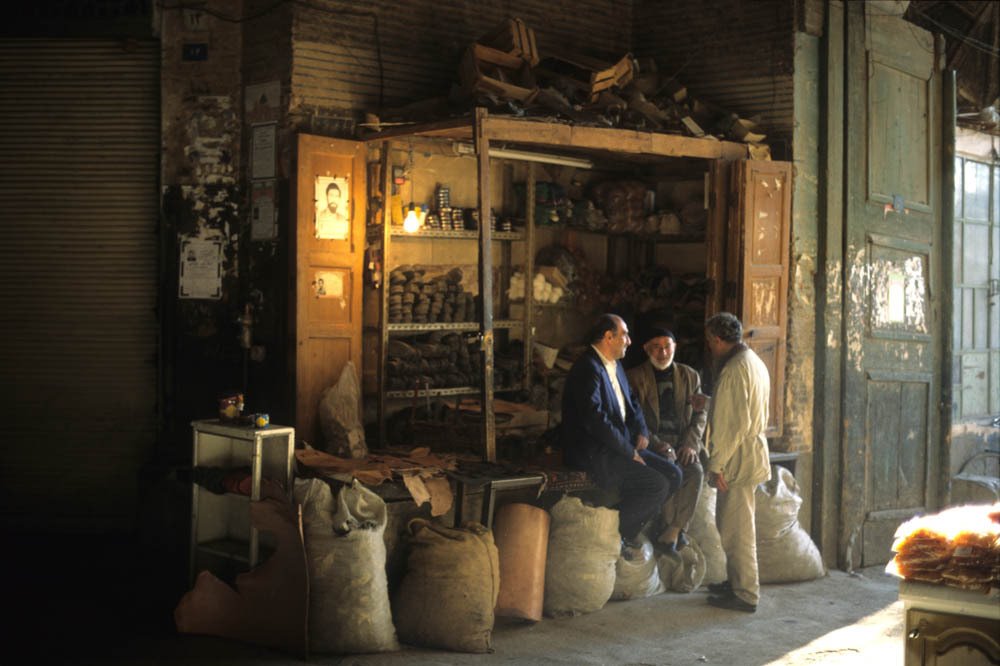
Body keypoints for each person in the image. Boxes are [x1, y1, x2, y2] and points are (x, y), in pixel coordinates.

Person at [561, 313, 682, 559]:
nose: (629, 341)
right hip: (596, 451)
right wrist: (630, 453)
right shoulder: (588, 368)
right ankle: (613, 535)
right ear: (608, 337)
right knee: (656, 485)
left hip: (621, 445)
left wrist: (642, 431)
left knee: (674, 474)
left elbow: (633, 404)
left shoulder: (614, 364)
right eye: (624, 334)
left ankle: (619, 529)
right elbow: (595, 421)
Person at [701, 312, 771, 613]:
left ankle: (745, 593)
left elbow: (731, 426)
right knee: (734, 525)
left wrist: (716, 465)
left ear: (718, 340)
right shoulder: (752, 361)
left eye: (709, 342)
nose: (709, 347)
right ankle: (736, 582)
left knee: (737, 531)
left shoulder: (732, 371)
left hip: (737, 459)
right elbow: (742, 410)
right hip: (749, 451)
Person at [626, 327, 707, 555]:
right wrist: (658, 444)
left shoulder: (690, 376)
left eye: (667, 346)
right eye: (656, 347)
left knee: (696, 472)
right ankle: (670, 535)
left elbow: (701, 414)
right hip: (654, 444)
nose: (662, 352)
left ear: (675, 347)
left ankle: (673, 531)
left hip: (683, 442)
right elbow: (634, 419)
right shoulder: (635, 377)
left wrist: (691, 443)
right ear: (646, 349)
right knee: (669, 471)